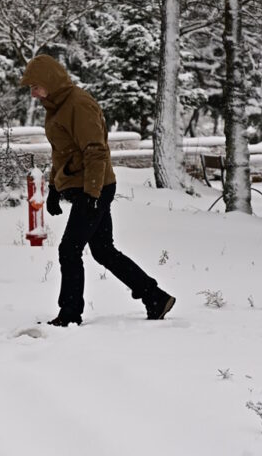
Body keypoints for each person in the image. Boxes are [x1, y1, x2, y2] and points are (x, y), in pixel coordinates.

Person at [20, 54, 176, 326]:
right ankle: (155, 296)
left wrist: (92, 195)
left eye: (35, 86)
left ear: (50, 81)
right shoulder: (55, 107)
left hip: (94, 187)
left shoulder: (78, 105)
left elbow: (95, 151)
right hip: (83, 187)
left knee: (69, 250)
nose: (33, 94)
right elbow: (62, 152)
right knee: (103, 250)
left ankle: (70, 314)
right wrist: (55, 187)